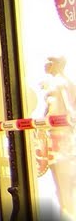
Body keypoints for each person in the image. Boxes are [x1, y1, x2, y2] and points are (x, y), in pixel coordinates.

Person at [33, 55, 76, 218]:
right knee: (62, 185)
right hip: (56, 135)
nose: (46, 66)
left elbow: (69, 107)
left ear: (57, 64)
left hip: (61, 136)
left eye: (49, 63)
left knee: (65, 185)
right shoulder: (59, 82)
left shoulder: (62, 83)